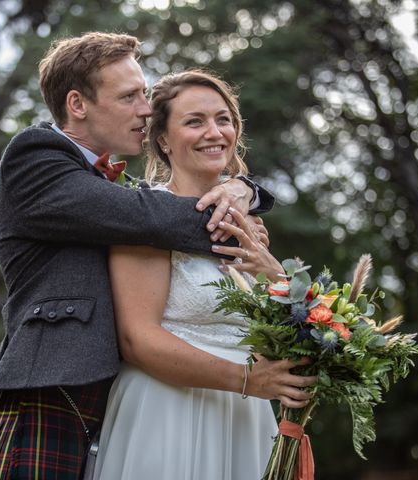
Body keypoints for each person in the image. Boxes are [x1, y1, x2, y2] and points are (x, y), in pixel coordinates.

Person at [0, 33, 274, 480]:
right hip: (43, 399)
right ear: (78, 104)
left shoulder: (104, 181)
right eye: (129, 96)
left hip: (96, 404)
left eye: (144, 94)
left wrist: (244, 189)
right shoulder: (35, 158)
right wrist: (243, 199)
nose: (145, 110)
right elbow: (145, 216)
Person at [93, 70, 317, 480]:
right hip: (168, 413)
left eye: (223, 119)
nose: (213, 132)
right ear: (163, 139)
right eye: (194, 121)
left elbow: (302, 327)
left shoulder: (249, 225)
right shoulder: (143, 215)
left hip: (245, 418)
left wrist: (271, 270)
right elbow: (136, 339)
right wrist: (249, 379)